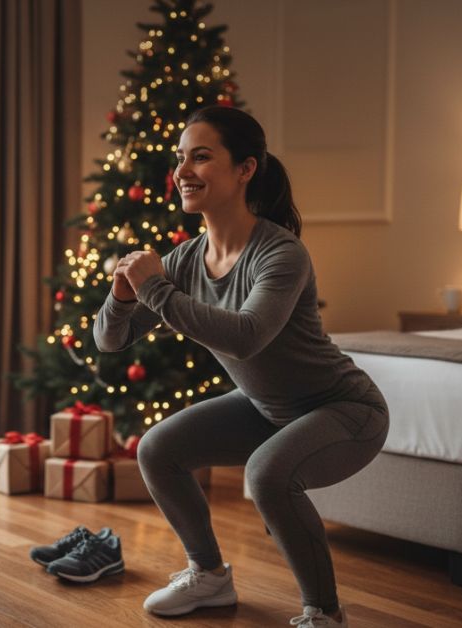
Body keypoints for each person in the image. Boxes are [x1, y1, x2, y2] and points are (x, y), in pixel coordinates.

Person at [93, 106, 388, 628]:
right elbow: (110, 340)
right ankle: (208, 577)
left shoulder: (281, 253)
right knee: (159, 448)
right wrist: (121, 295)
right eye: (180, 158)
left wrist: (155, 288)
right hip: (265, 407)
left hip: (344, 409)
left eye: (201, 157)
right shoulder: (187, 259)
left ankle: (325, 613)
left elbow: (248, 338)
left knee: (268, 475)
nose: (183, 171)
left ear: (246, 169)